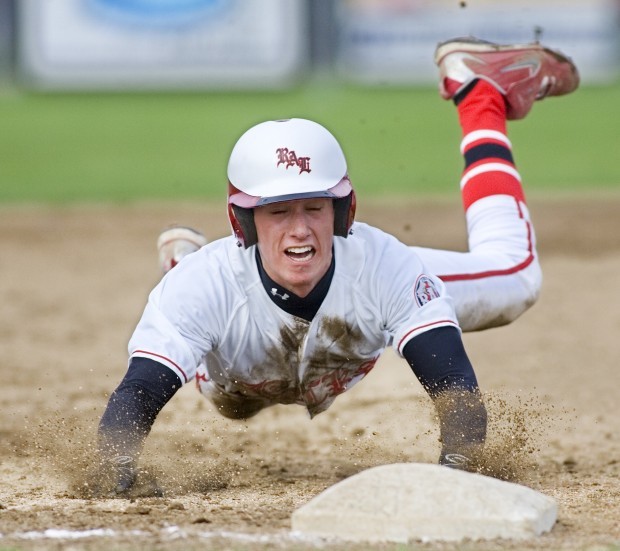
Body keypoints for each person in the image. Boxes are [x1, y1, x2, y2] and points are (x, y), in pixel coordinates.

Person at [95, 36, 579, 496]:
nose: (300, 229)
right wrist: (113, 470)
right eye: (278, 211)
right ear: (244, 223)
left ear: (344, 212)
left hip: (371, 283)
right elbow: (135, 397)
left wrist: (459, 467)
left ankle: (481, 95)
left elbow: (457, 394)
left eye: (315, 208)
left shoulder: (386, 266)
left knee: (515, 280)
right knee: (231, 405)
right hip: (229, 362)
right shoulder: (205, 288)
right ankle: (179, 262)